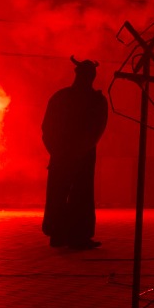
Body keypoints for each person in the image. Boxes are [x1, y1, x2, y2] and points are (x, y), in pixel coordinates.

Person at [42, 58, 108, 249]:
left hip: (63, 155)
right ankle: (76, 236)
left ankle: (58, 234)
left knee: (59, 194)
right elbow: (96, 130)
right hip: (81, 156)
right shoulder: (96, 101)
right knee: (80, 195)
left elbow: (47, 128)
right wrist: (77, 151)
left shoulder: (60, 97)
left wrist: (56, 151)